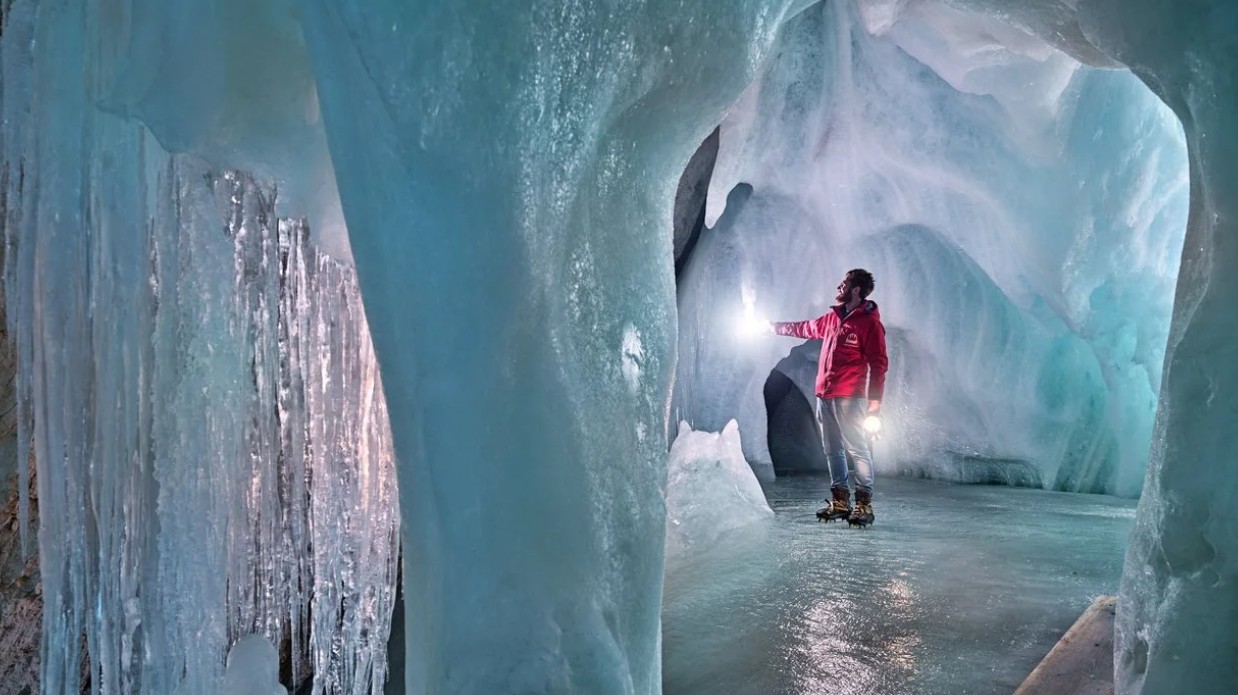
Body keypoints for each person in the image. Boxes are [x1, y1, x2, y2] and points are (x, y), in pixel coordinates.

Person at [770, 268, 888, 527]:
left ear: (855, 290)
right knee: (832, 449)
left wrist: (874, 406)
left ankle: (864, 504)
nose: (838, 287)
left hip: (850, 396)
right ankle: (841, 501)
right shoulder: (833, 319)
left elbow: (879, 365)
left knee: (857, 449)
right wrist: (775, 327)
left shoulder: (869, 324)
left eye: (844, 284)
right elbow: (806, 328)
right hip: (825, 394)